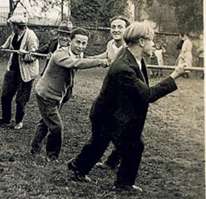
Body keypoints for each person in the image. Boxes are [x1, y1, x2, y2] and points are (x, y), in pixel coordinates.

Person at [67, 22, 187, 193]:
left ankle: (77, 167)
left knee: (99, 143)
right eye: (152, 40)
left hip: (114, 113)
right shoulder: (124, 67)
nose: (154, 44)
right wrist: (174, 76)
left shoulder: (132, 56)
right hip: (107, 115)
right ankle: (123, 184)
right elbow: (148, 95)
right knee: (133, 146)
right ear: (141, 42)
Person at [31, 26, 110, 161]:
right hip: (46, 95)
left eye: (84, 43)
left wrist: (107, 55)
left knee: (45, 122)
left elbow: (87, 58)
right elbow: (75, 63)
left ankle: (35, 148)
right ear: (70, 41)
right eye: (78, 42)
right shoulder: (60, 54)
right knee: (56, 127)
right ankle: (52, 156)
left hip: (57, 96)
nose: (80, 46)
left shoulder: (78, 54)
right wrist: (99, 62)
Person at [0, 15, 39, 130]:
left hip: (26, 71)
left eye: (13, 25)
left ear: (18, 26)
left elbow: (35, 55)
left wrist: (24, 54)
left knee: (21, 99)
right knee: (5, 95)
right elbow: (9, 42)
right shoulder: (14, 34)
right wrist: (1, 47)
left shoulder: (31, 36)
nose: (11, 27)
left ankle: (19, 121)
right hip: (13, 69)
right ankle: (5, 118)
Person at [94, 15, 130, 170]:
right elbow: (104, 56)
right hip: (110, 92)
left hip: (126, 94)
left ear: (127, 29)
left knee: (123, 129)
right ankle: (113, 161)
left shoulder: (129, 48)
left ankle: (114, 160)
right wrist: (86, 59)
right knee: (108, 126)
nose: (116, 30)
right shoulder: (110, 44)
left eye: (120, 27)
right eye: (113, 27)